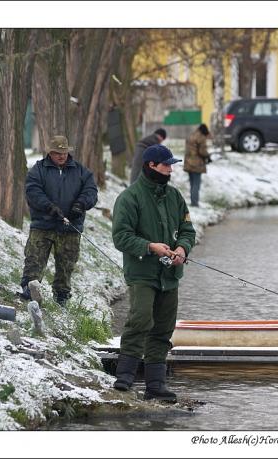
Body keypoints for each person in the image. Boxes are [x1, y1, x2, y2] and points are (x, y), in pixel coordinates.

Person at [112, 144, 196, 401]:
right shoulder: (129, 198)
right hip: (142, 273)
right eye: (167, 165)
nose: (171, 169)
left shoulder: (175, 197)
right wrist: (150, 247)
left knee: (163, 327)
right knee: (140, 319)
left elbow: (188, 230)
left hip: (170, 276)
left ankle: (155, 385)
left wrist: (182, 248)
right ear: (151, 166)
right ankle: (124, 376)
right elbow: (121, 237)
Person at [20, 135, 98, 306]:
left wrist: (80, 205)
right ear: (50, 153)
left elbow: (91, 191)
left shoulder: (82, 171)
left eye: (64, 152)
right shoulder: (38, 170)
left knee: (66, 265)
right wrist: (49, 207)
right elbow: (33, 191)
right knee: (34, 259)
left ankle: (61, 297)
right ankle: (29, 290)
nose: (61, 156)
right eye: (57, 153)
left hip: (71, 227)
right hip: (43, 225)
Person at [183, 123, 211, 207]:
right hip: (196, 164)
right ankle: (195, 203)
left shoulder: (191, 135)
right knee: (196, 185)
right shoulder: (201, 137)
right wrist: (208, 157)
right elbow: (202, 151)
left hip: (188, 162)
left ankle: (193, 201)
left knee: (192, 184)